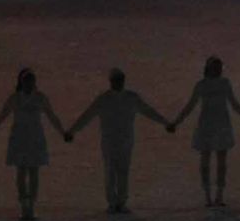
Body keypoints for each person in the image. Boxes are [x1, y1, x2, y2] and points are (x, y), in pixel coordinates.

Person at [65, 66, 167, 213]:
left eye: (120, 80)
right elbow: (86, 116)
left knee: (123, 171)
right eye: (116, 80)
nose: (119, 83)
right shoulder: (104, 99)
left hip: (125, 141)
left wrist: (164, 122)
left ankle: (121, 201)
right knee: (111, 171)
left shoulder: (131, 97)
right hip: (110, 141)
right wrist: (72, 130)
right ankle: (113, 202)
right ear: (111, 81)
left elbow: (149, 111)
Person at [0, 66, 69, 221]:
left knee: (33, 172)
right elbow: (0, 118)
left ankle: (32, 205)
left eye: (31, 81)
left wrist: (63, 132)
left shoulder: (40, 98)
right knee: (21, 172)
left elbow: (52, 117)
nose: (29, 84)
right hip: (20, 138)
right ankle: (24, 205)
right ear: (21, 82)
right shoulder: (15, 98)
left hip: (35, 139)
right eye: (26, 81)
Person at [168, 55, 240, 209]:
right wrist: (176, 122)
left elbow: (234, 104)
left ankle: (218, 195)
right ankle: (208, 195)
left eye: (219, 67)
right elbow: (189, 106)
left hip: (219, 124)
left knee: (219, 162)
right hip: (208, 125)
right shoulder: (203, 85)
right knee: (207, 162)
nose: (218, 70)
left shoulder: (222, 83)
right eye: (215, 67)